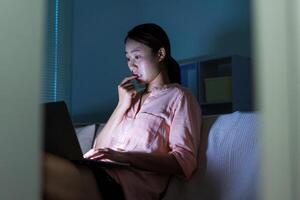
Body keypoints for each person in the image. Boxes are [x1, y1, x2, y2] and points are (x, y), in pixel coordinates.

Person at [43, 23, 202, 200]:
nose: (131, 65)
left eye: (137, 56)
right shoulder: (131, 99)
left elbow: (183, 162)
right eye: (127, 58)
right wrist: (122, 105)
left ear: (160, 54)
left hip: (123, 187)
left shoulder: (180, 97)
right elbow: (98, 147)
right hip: (97, 170)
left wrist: (125, 157)